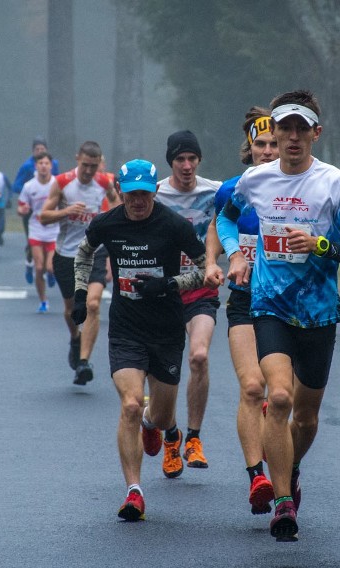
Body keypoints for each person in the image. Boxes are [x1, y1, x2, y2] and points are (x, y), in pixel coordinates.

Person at [217, 90, 340, 539]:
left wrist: (319, 244)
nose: (293, 137)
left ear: (316, 134)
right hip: (270, 307)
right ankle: (283, 502)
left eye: (302, 129)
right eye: (285, 128)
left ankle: (292, 466)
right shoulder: (255, 180)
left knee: (305, 417)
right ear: (275, 133)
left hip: (319, 313)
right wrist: (235, 255)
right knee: (277, 398)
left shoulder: (336, 183)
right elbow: (226, 219)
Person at [72, 158, 207, 521]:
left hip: (165, 329)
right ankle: (134, 490)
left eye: (145, 195)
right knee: (130, 404)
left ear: (155, 192)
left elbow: (205, 270)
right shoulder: (107, 223)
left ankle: (153, 424)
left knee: (161, 416)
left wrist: (170, 284)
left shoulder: (174, 225)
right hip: (127, 328)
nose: (138, 202)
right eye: (131, 195)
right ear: (120, 192)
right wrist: (82, 293)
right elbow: (83, 254)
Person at [204, 106, 278, 516]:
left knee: (282, 396)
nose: (267, 151)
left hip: (289, 305)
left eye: (272, 143)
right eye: (259, 145)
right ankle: (258, 478)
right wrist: (214, 261)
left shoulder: (302, 188)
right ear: (247, 150)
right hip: (245, 299)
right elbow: (218, 224)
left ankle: (288, 472)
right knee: (252, 387)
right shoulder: (233, 189)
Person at [153, 130, 221, 477]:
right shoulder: (155, 194)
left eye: (192, 158)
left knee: (199, 356)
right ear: (171, 162)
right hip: (162, 292)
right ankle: (170, 435)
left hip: (200, 289)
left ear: (199, 160)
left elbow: (234, 222)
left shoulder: (215, 191)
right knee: (165, 373)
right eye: (180, 159)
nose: (186, 165)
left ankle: (193, 438)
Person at [39, 141, 118, 386]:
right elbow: (43, 216)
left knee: (93, 304)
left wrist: (111, 222)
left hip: (94, 252)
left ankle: (83, 362)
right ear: (77, 160)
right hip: (66, 255)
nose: (88, 171)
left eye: (93, 166)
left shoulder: (104, 182)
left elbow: (116, 205)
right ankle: (75, 337)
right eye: (85, 165)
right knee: (72, 310)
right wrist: (67, 211)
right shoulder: (62, 183)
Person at [13, 137, 61, 283]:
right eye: (37, 150)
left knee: (52, 244)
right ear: (33, 151)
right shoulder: (27, 166)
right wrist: (31, 195)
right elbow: (16, 186)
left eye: (42, 149)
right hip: (31, 211)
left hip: (50, 210)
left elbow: (58, 181)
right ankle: (29, 264)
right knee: (32, 242)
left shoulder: (54, 164)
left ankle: (50, 270)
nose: (40, 152)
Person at [17, 151, 59, 313]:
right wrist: (23, 210)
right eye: (40, 163)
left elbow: (65, 201)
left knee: (50, 267)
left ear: (51, 166)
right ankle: (43, 300)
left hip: (53, 229)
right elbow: (20, 206)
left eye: (46, 163)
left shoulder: (57, 184)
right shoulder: (29, 186)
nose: (43, 166)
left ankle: (52, 274)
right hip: (36, 228)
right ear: (36, 166)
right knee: (39, 267)